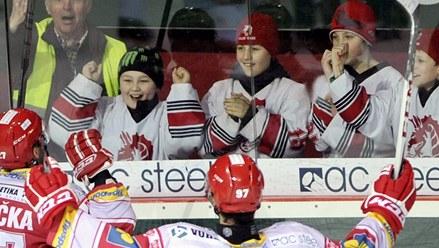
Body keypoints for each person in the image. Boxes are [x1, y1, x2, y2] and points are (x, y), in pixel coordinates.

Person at [24, 153, 415, 247]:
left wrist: (60, 215)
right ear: (260, 198)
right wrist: (386, 212)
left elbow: (115, 245)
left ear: (211, 197)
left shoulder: (181, 238)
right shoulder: (298, 238)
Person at [0, 108, 135, 247]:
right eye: (42, 139)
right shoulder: (53, 192)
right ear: (35, 151)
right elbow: (113, 235)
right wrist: (100, 176)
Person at [49, 46, 206, 160]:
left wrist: (181, 90)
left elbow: (184, 143)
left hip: (157, 199)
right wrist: (86, 84)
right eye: (127, 80)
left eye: (144, 81)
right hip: (110, 198)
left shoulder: (168, 113)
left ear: (157, 85)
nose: (134, 88)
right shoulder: (105, 109)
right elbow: (64, 134)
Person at [326, 28, 439, 157]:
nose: (413, 65)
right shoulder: (401, 92)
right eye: (412, 59)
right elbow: (363, 113)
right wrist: (338, 71)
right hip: (412, 178)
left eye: (420, 60)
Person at [200, 13, 310, 158]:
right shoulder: (218, 90)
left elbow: (293, 148)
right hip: (228, 178)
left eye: (255, 49)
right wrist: (230, 119)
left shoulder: (293, 91)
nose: (245, 57)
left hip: (276, 179)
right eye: (240, 48)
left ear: (271, 52)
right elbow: (203, 148)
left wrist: (250, 116)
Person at [307, 0, 405, 158]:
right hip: (334, 175)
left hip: (374, 173)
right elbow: (318, 141)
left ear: (367, 39)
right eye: (336, 38)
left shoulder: (392, 80)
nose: (340, 45)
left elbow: (384, 143)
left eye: (348, 37)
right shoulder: (329, 77)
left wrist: (335, 116)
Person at [8, 0, 126, 119]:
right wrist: (11, 29)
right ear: (47, 7)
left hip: (92, 136)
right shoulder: (28, 40)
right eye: (59, 0)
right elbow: (6, 61)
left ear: (88, 5)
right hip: (36, 135)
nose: (67, 6)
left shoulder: (116, 50)